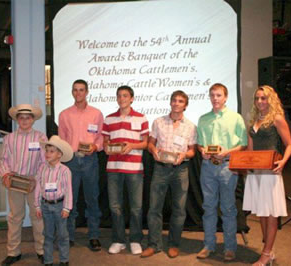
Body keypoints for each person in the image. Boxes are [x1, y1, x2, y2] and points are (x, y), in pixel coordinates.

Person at [141, 90, 197, 259]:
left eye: (180, 101)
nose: (176, 103)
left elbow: (192, 151)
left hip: (181, 170)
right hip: (160, 168)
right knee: (154, 209)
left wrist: (183, 155)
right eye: (174, 100)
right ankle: (154, 245)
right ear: (170, 102)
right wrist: (154, 151)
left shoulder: (191, 126)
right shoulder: (158, 122)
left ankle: (174, 244)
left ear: (185, 105)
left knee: (179, 210)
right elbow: (150, 144)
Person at [243, 85, 291, 266]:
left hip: (270, 171)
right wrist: (244, 164)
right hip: (256, 172)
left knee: (271, 213)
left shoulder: (277, 119)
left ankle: (265, 254)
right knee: (262, 213)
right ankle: (269, 250)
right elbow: (250, 149)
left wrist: (283, 162)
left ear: (270, 99)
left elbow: (289, 145)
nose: (259, 102)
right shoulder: (253, 120)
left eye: (263, 98)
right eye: (257, 98)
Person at [196, 83, 247, 261]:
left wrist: (226, 152)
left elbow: (243, 143)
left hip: (227, 166)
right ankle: (208, 245)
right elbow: (200, 143)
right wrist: (202, 150)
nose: (215, 98)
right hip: (208, 167)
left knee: (228, 208)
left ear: (225, 97)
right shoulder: (203, 119)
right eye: (212, 95)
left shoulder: (236, 118)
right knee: (208, 207)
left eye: (218, 95)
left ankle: (229, 248)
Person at [102, 86, 149, 255]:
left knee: (136, 207)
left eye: (125, 96)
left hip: (134, 168)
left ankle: (135, 239)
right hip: (113, 167)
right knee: (115, 207)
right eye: (119, 96)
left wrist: (132, 146)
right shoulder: (108, 119)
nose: (122, 98)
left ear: (132, 99)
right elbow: (105, 142)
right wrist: (106, 148)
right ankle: (118, 240)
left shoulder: (141, 118)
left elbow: (145, 143)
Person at [0, 104, 46, 265]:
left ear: (33, 119)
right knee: (15, 217)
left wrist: (36, 179)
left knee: (37, 216)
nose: (25, 120)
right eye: (21, 117)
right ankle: (13, 252)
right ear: (17, 119)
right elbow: (3, 160)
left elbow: (44, 161)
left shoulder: (41, 138)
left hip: (34, 181)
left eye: (28, 117)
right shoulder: (9, 138)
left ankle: (41, 250)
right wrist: (5, 175)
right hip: (15, 181)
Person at [58, 79, 104, 251]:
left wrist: (96, 146)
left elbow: (100, 137)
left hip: (90, 160)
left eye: (81, 90)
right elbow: (61, 140)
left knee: (92, 199)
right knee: (70, 201)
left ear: (87, 92)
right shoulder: (64, 114)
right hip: (70, 161)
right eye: (75, 90)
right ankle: (68, 235)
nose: (78, 93)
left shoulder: (96, 114)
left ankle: (93, 236)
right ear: (72, 92)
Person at [35, 135, 73, 266]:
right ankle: (48, 260)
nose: (47, 154)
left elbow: (68, 190)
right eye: (46, 151)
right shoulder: (42, 168)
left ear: (59, 155)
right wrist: (37, 206)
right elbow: (38, 187)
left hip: (59, 205)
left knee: (62, 234)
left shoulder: (65, 170)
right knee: (48, 234)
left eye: (52, 151)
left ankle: (64, 260)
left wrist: (67, 208)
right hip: (45, 205)